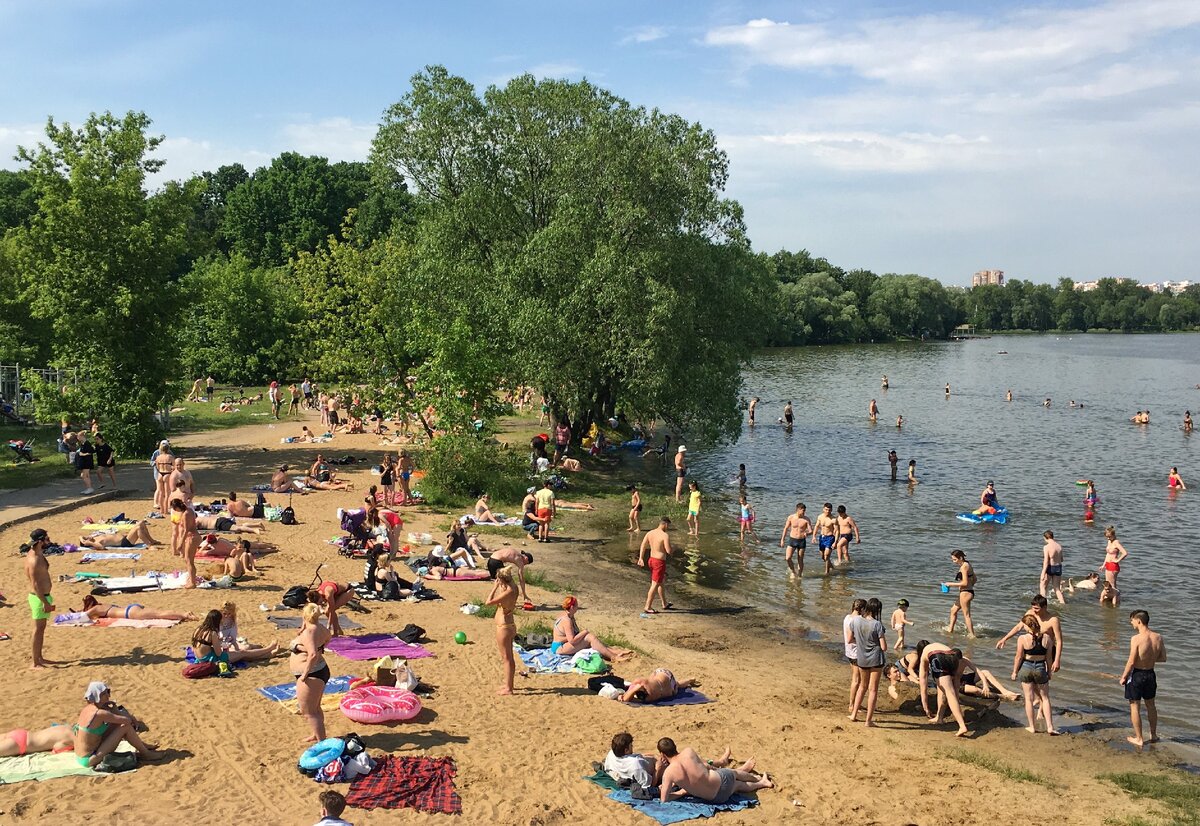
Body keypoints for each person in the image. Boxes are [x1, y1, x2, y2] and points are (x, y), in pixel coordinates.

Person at [656, 738, 772, 804]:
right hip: (721, 779)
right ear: (675, 746)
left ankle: (761, 783)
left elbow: (664, 799)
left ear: (662, 754)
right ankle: (758, 780)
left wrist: (680, 793)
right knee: (735, 774)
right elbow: (704, 766)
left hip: (716, 798)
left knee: (737, 786)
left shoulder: (668, 773)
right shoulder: (688, 752)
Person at [73, 682, 162, 767]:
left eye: (108, 691)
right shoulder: (100, 713)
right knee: (125, 727)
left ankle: (143, 746)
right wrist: (115, 710)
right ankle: (146, 754)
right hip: (90, 759)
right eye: (105, 693)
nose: (109, 695)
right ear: (97, 696)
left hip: (81, 756)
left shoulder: (88, 708)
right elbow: (127, 721)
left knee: (116, 725)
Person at [1121, 610, 1167, 748]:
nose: (1131, 623)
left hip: (1137, 674)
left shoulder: (1136, 639)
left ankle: (1139, 738)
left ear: (1139, 621)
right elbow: (1163, 658)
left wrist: (1124, 676)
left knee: (1134, 706)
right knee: (1151, 705)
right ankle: (1153, 735)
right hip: (1150, 674)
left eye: (1132, 620)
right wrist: (1150, 659)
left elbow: (1131, 661)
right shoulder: (1158, 637)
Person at [291, 603, 333, 743]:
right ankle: (317, 734)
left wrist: (304, 674)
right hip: (319, 670)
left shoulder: (310, 631)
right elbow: (328, 638)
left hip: (312, 674)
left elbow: (313, 654)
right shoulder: (319, 628)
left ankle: (322, 743)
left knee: (309, 711)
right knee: (315, 708)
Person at [1010, 613, 1057, 735]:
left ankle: (1032, 727)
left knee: (1029, 699)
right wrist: (1049, 672)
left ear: (1027, 626)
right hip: (1041, 667)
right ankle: (1050, 727)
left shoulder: (1022, 638)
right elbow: (1049, 659)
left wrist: (1015, 671)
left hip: (1026, 667)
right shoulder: (1047, 638)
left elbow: (1018, 657)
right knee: (1045, 698)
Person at [996, 594, 1064, 674]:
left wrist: (1057, 660)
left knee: (1043, 678)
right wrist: (1004, 639)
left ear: (1045, 607)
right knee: (1023, 674)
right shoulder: (1030, 613)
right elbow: (1019, 627)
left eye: (1037, 608)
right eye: (1033, 607)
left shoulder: (1053, 620)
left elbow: (1059, 641)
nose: (1034, 610)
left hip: (1046, 652)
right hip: (1029, 650)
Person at [552, 597, 633, 661]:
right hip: (560, 648)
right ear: (572, 607)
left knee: (592, 641)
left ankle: (616, 652)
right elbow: (572, 640)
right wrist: (584, 632)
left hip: (560, 644)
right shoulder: (567, 621)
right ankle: (614, 657)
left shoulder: (567, 615)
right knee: (590, 638)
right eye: (577, 605)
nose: (578, 607)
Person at [192, 609, 277, 668]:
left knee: (240, 655)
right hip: (211, 660)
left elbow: (198, 645)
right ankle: (268, 649)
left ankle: (269, 655)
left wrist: (219, 641)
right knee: (243, 653)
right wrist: (225, 647)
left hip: (200, 658)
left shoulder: (198, 629)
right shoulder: (212, 633)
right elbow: (219, 654)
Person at [848, 597, 887, 727]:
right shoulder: (877, 624)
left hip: (862, 658)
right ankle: (868, 721)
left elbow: (850, 639)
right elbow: (884, 647)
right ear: (877, 610)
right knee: (873, 690)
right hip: (876, 659)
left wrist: (862, 644)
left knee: (862, 687)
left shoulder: (856, 620)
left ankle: (853, 714)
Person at [918, 646, 971, 737]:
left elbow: (923, 682)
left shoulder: (924, 656)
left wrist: (925, 706)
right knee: (946, 690)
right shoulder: (934, 646)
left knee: (948, 692)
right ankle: (939, 718)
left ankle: (962, 726)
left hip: (937, 656)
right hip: (952, 656)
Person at [24, 528, 56, 668]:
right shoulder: (34, 560)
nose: (48, 541)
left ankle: (40, 658)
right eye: (46, 539)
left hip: (43, 597)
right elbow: (35, 584)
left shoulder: (37, 553)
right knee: (38, 629)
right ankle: (35, 663)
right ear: (39, 541)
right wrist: (44, 602)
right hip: (39, 598)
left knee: (41, 629)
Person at [486, 565, 519, 696]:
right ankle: (508, 684)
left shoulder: (507, 593)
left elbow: (488, 602)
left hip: (504, 627)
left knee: (507, 658)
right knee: (508, 658)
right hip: (510, 624)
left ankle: (509, 688)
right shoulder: (513, 587)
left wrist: (494, 587)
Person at [638, 517, 673, 614]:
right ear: (665, 524)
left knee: (660, 582)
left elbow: (643, 545)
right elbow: (668, 550)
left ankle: (664, 603)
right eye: (668, 526)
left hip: (651, 560)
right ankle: (647, 606)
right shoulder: (665, 535)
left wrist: (641, 558)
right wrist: (673, 548)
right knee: (654, 584)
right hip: (659, 562)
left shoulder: (650, 533)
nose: (668, 528)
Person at [943, 549, 976, 637]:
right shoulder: (967, 564)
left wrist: (950, 584)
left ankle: (972, 635)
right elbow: (975, 578)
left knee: (967, 615)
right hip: (967, 592)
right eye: (953, 559)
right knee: (953, 610)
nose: (954, 562)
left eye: (955, 559)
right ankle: (950, 629)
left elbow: (964, 583)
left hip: (965, 593)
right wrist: (970, 586)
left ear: (960, 558)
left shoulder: (964, 567)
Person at [617, 668, 700, 703]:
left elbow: (625, 699)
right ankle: (689, 680)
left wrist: (632, 691)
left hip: (665, 677)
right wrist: (633, 690)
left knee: (676, 687)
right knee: (676, 686)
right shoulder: (640, 684)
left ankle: (689, 680)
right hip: (661, 674)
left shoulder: (650, 696)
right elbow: (626, 697)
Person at [0, 724, 73, 758]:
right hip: (22, 744)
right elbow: (57, 749)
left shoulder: (68, 726)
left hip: (22, 733)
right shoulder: (71, 738)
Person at [843, 599, 864, 713]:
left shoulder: (847, 617)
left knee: (856, 678)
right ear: (862, 609)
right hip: (856, 652)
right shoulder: (857, 620)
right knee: (857, 680)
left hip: (849, 652)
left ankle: (853, 703)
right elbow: (851, 638)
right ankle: (852, 704)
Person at [779, 502, 811, 578]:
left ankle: (799, 575)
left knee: (800, 559)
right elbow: (786, 528)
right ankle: (793, 571)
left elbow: (811, 530)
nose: (804, 512)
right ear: (798, 509)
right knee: (788, 558)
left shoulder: (806, 519)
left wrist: (808, 533)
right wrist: (782, 540)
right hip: (792, 540)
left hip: (801, 541)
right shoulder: (791, 517)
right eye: (803, 510)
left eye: (804, 510)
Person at [79, 520, 160, 550]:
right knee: (138, 528)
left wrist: (82, 539)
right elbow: (101, 547)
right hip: (125, 542)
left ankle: (152, 541)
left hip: (125, 537)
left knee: (141, 523)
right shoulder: (96, 542)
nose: (87, 537)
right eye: (87, 538)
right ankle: (149, 545)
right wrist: (88, 543)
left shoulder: (95, 537)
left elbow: (80, 536)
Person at [1102, 526, 1129, 592]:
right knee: (1107, 584)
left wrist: (1117, 560)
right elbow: (1108, 554)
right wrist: (1103, 565)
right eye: (1107, 537)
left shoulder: (1116, 543)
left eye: (1109, 536)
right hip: (1108, 564)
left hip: (1113, 565)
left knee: (1111, 585)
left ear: (1113, 535)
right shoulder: (1109, 541)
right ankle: (1111, 599)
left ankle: (1116, 598)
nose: (1108, 538)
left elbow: (1125, 553)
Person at [814, 503, 837, 575]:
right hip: (822, 537)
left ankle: (827, 572)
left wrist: (835, 542)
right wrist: (814, 536)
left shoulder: (833, 519)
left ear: (831, 510)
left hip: (830, 537)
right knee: (823, 556)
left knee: (826, 555)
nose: (827, 511)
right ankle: (831, 567)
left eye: (829, 510)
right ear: (823, 509)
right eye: (826, 509)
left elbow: (837, 531)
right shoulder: (820, 517)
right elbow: (816, 526)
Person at [75, 430, 95, 495]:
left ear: (82, 436)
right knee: (86, 475)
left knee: (83, 475)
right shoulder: (82, 444)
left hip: (87, 462)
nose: (77, 438)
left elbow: (90, 452)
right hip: (84, 462)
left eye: (78, 436)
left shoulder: (87, 444)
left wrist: (82, 454)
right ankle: (88, 488)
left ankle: (90, 488)